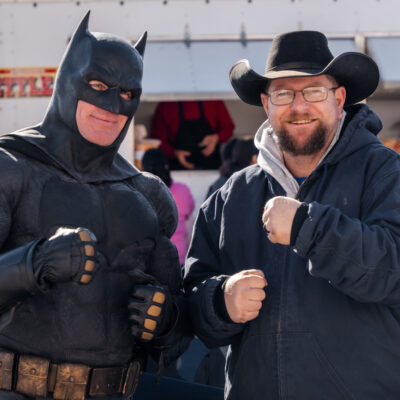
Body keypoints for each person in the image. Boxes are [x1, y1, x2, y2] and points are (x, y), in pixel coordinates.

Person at [184, 30, 400, 400]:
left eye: (314, 91)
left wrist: (307, 228)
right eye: (283, 93)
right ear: (267, 104)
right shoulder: (232, 196)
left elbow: (393, 268)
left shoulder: (384, 172)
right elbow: (191, 302)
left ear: (339, 99)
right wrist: (220, 301)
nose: (298, 106)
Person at [0, 12, 192, 400]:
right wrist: (31, 264)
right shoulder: (11, 169)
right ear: (68, 82)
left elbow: (175, 339)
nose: (113, 105)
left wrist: (164, 319)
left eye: (126, 93)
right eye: (98, 84)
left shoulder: (148, 195)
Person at [141, 148, 195, 267]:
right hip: (177, 259)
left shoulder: (136, 192)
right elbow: (189, 217)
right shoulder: (183, 190)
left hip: (146, 263)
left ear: (142, 168)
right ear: (166, 166)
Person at [150, 100, 234, 170]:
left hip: (213, 168)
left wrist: (216, 138)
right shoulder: (166, 104)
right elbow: (156, 142)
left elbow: (228, 128)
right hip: (177, 171)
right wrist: (175, 153)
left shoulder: (212, 99)